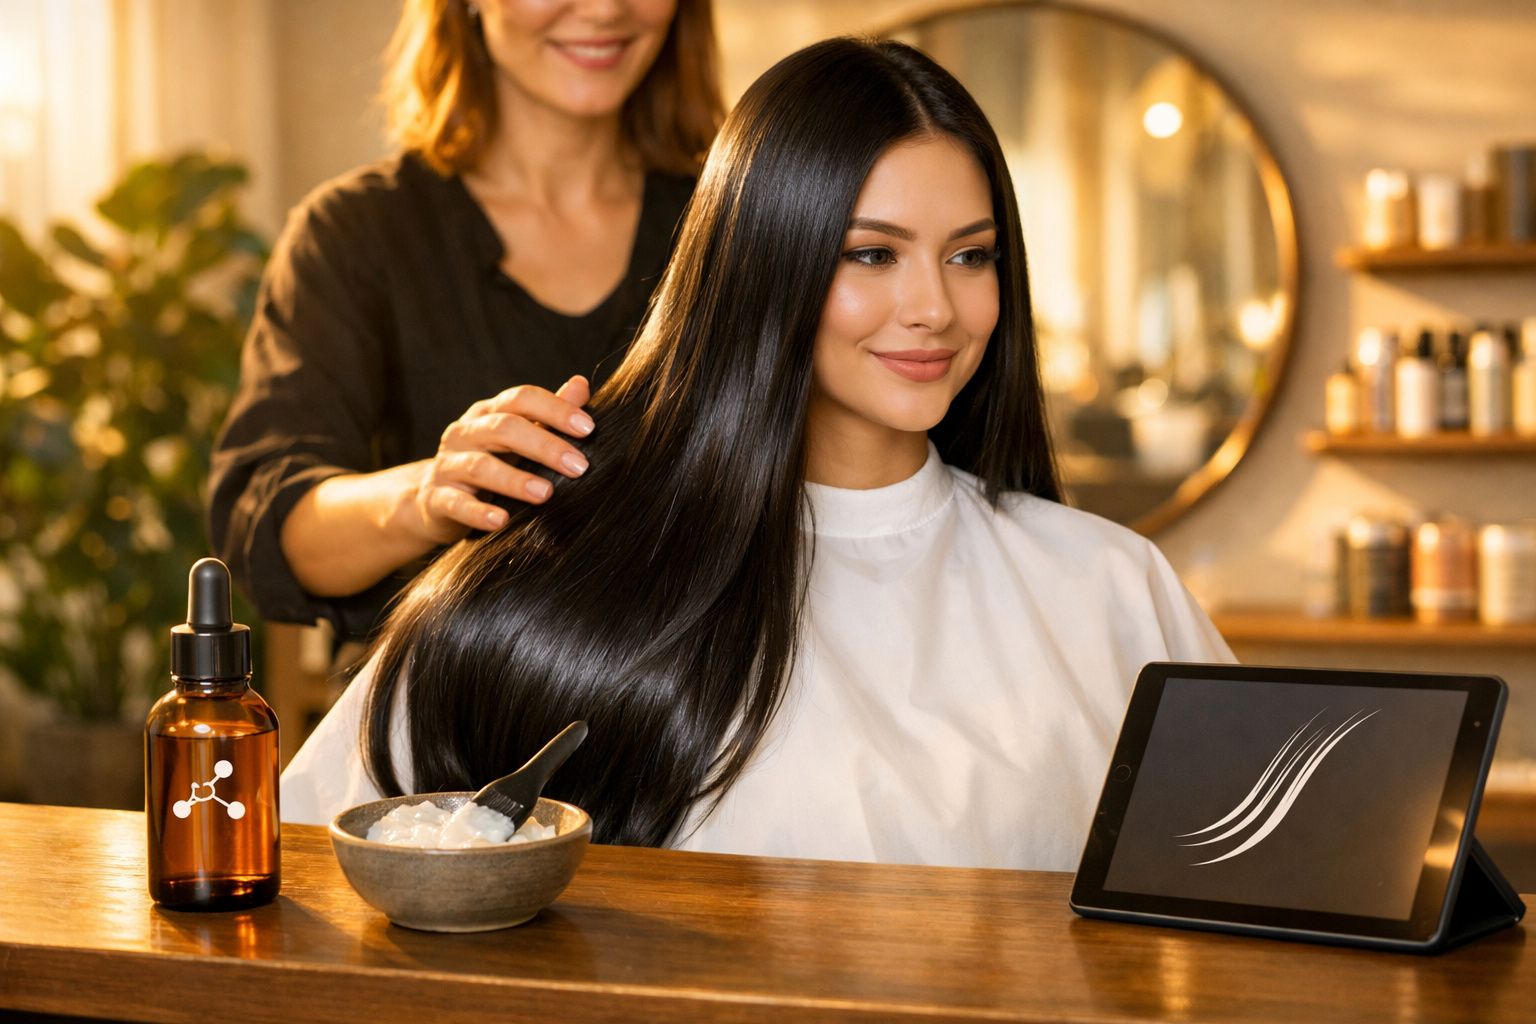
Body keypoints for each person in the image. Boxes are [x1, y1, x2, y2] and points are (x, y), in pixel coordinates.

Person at [280, 37, 1234, 871]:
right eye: (872, 254)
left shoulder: (1107, 586)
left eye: (970, 255)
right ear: (764, 264)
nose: (935, 308)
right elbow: (313, 866)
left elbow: (1251, 900)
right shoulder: (551, 594)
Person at [208, 0, 722, 643]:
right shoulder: (354, 233)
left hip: (711, 723)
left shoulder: (731, 222)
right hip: (442, 720)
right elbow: (269, 530)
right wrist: (426, 497)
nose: (604, 9)